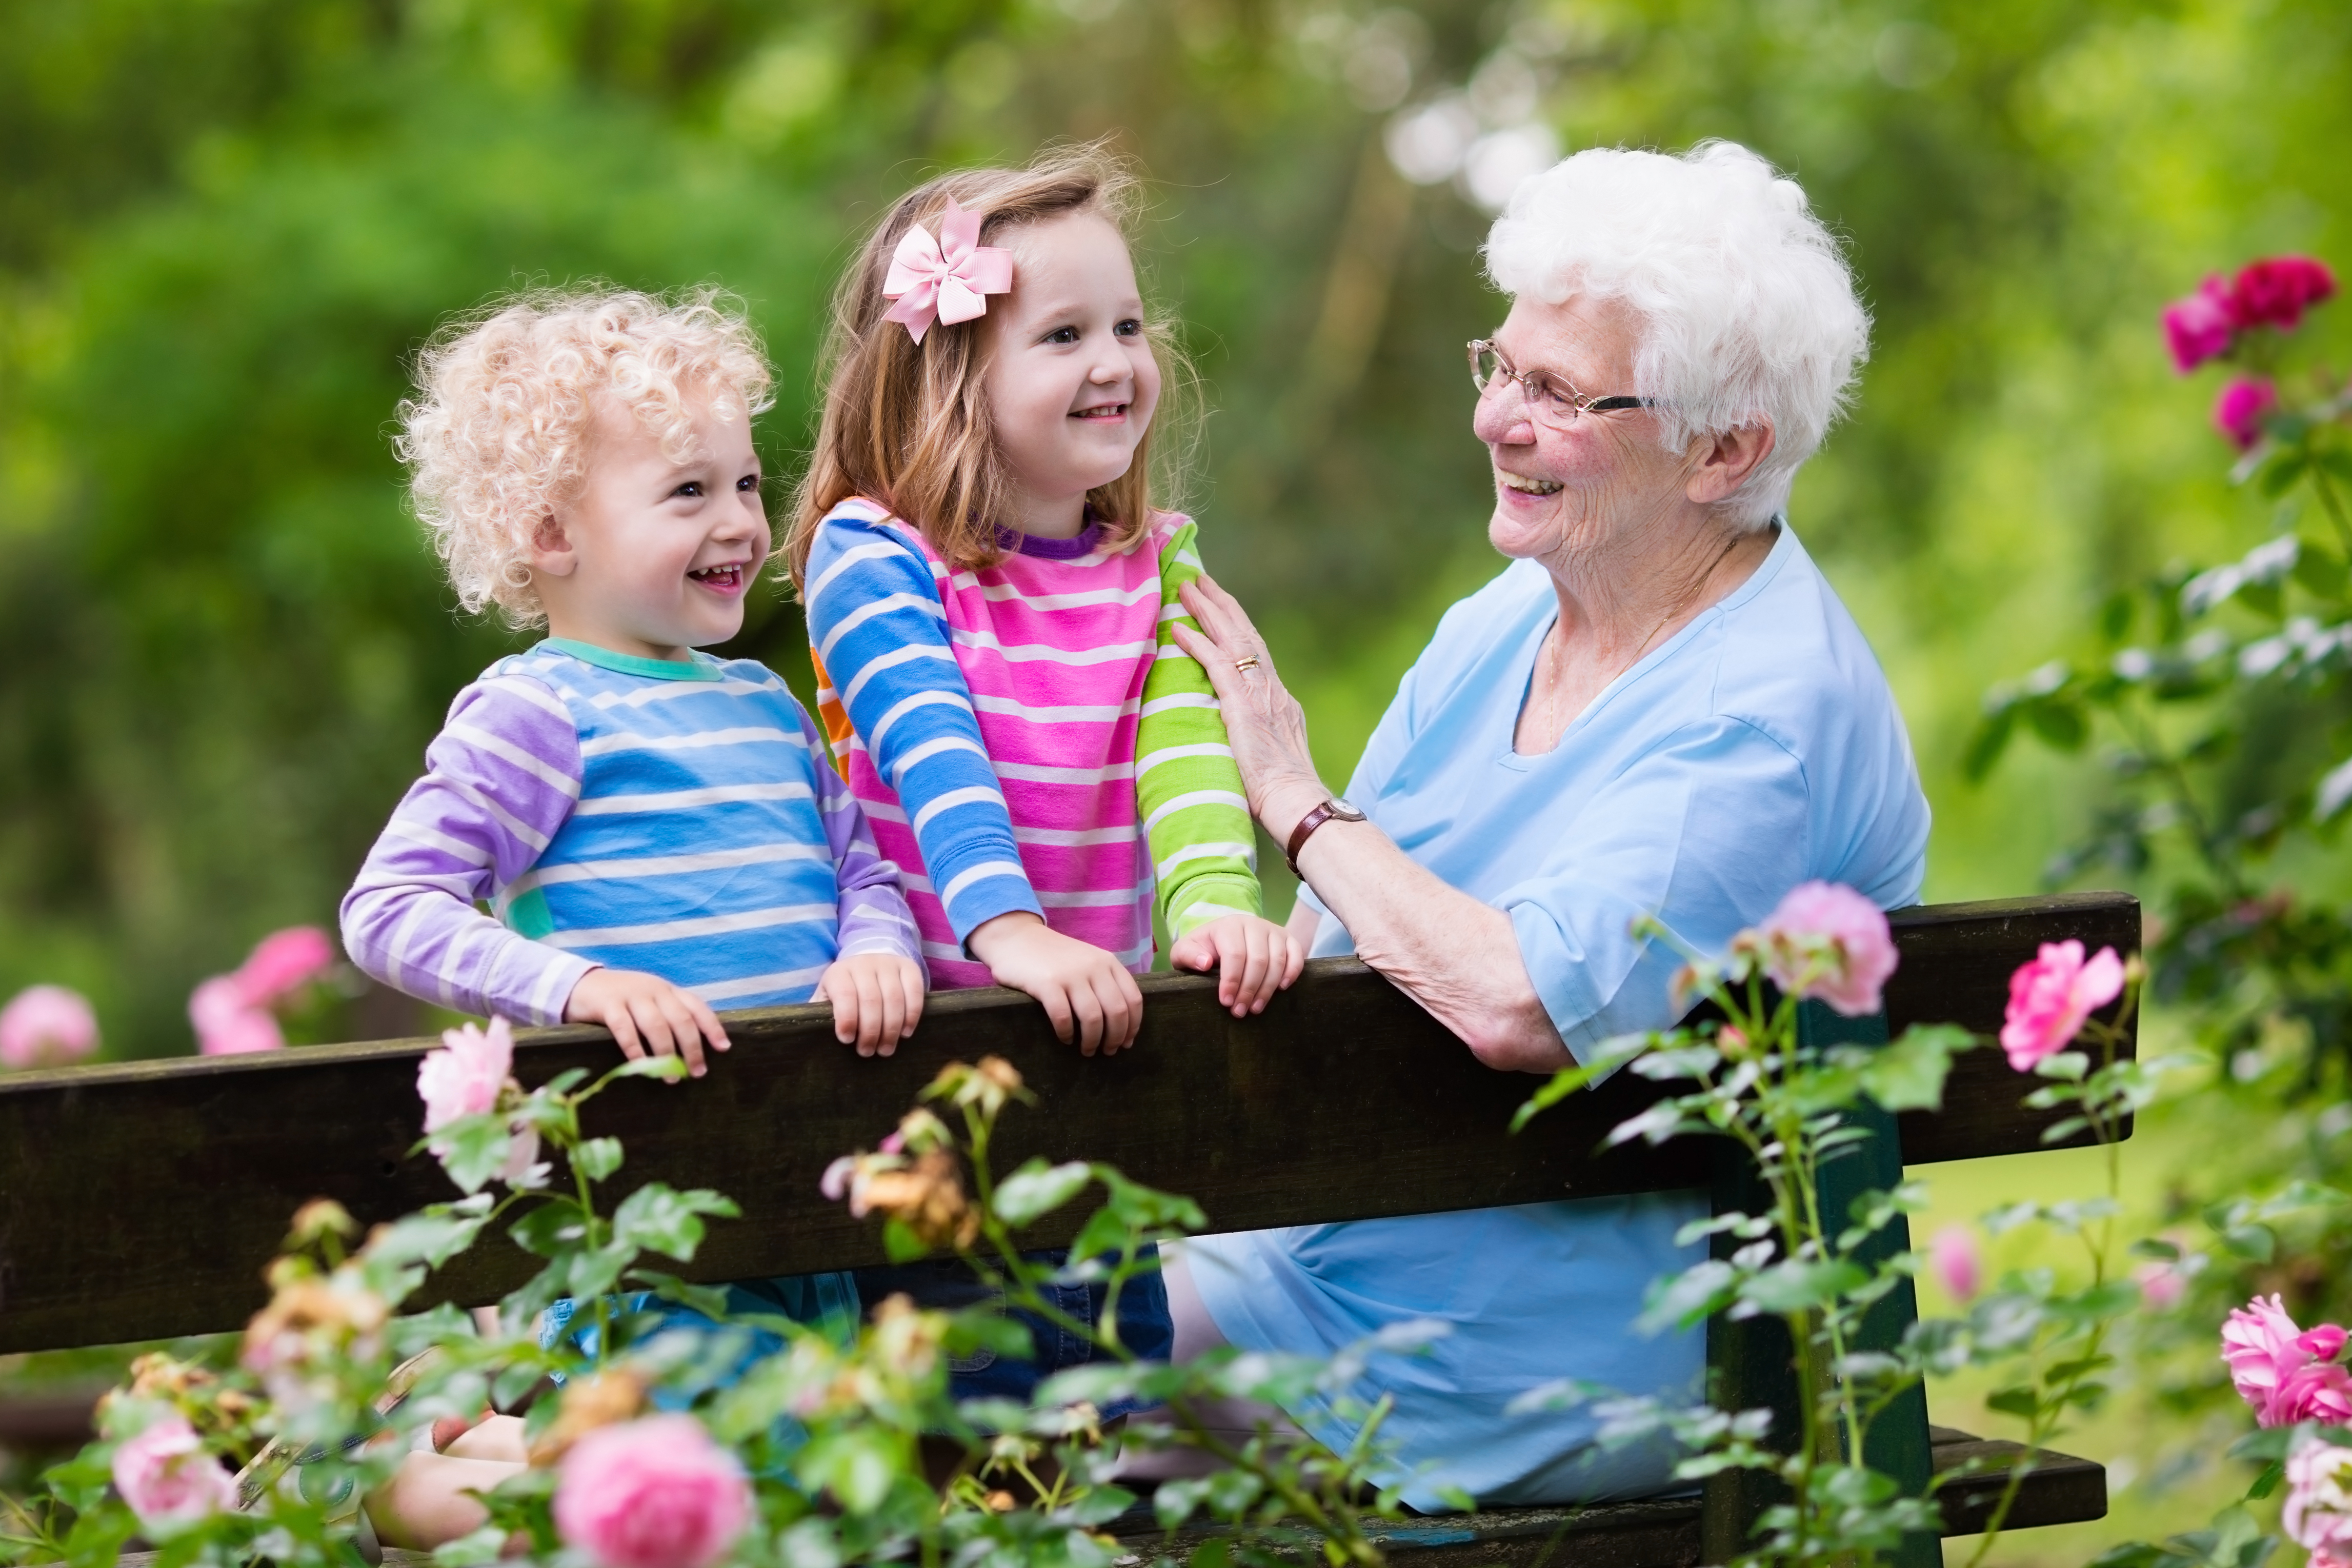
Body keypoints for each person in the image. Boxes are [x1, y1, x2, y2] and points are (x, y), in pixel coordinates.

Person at [1148, 140, 1933, 1511]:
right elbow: (1327, 945)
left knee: (992, 1377)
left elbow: (1525, 1003)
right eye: (1498, 367)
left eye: (1556, 394)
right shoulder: (1499, 621)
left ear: (1724, 449)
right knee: (948, 1322)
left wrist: (1292, 799)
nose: (1493, 420)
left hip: (1561, 1364)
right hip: (1346, 1252)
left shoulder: (1758, 712)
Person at [338, 288, 928, 1546]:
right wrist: (577, 983)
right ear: (549, 530)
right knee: (676, 1496)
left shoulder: (767, 704)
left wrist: (877, 946)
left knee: (792, 1475)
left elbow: (862, 870)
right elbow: (390, 908)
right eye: (685, 493)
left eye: (744, 484)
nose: (737, 524)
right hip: (640, 1209)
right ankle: (399, 1474)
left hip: (794, 1190)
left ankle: (462, 1428)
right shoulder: (539, 711)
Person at [787, 143, 1310, 1058]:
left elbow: (1184, 745)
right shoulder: (872, 553)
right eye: (1065, 335)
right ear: (949, 378)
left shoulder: (1156, 561)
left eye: (1129, 327)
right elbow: (932, 751)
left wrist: (1216, 907)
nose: (1113, 363)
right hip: (913, 1021)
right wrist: (1012, 931)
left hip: (1101, 1018)